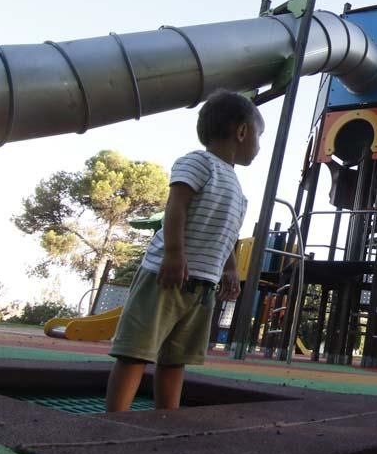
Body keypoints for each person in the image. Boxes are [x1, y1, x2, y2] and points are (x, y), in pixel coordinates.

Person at [106, 90, 262, 412]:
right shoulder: (199, 162)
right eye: (258, 136)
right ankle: (114, 418)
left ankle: (167, 418)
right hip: (167, 277)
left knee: (176, 359)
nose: (258, 146)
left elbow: (227, 233)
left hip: (202, 285)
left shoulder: (236, 186)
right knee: (136, 351)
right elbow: (175, 205)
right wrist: (174, 255)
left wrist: (230, 268)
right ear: (242, 131)